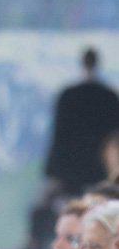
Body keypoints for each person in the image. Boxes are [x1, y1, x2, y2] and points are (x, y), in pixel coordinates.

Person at [44, 48, 119, 199]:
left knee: (43, 207)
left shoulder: (68, 96)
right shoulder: (110, 97)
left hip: (71, 175)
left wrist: (52, 172)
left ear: (83, 63)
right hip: (102, 174)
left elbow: (59, 137)